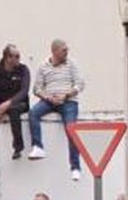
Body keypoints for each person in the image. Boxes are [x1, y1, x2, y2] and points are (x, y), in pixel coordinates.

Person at [27, 39, 85, 179]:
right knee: (33, 113)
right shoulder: (43, 66)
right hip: (50, 100)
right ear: (55, 51)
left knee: (71, 129)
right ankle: (38, 146)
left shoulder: (71, 64)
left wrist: (66, 95)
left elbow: (79, 84)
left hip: (68, 101)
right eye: (63, 50)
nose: (66, 52)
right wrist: (48, 97)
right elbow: (37, 88)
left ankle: (75, 167)